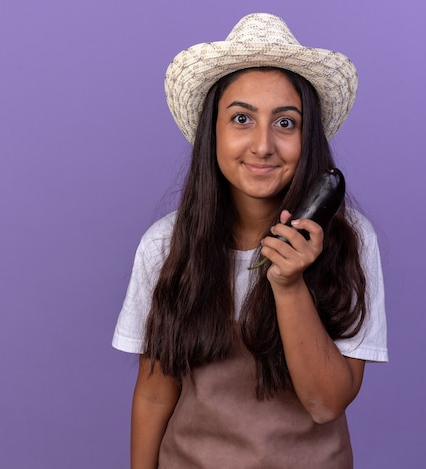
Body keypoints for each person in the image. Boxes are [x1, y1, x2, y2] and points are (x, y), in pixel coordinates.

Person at [112, 12, 388, 469]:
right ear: (212, 132)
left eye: (285, 123)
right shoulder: (165, 244)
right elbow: (155, 394)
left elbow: (327, 403)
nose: (262, 145)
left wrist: (289, 284)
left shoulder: (352, 240)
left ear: (308, 137)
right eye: (242, 118)